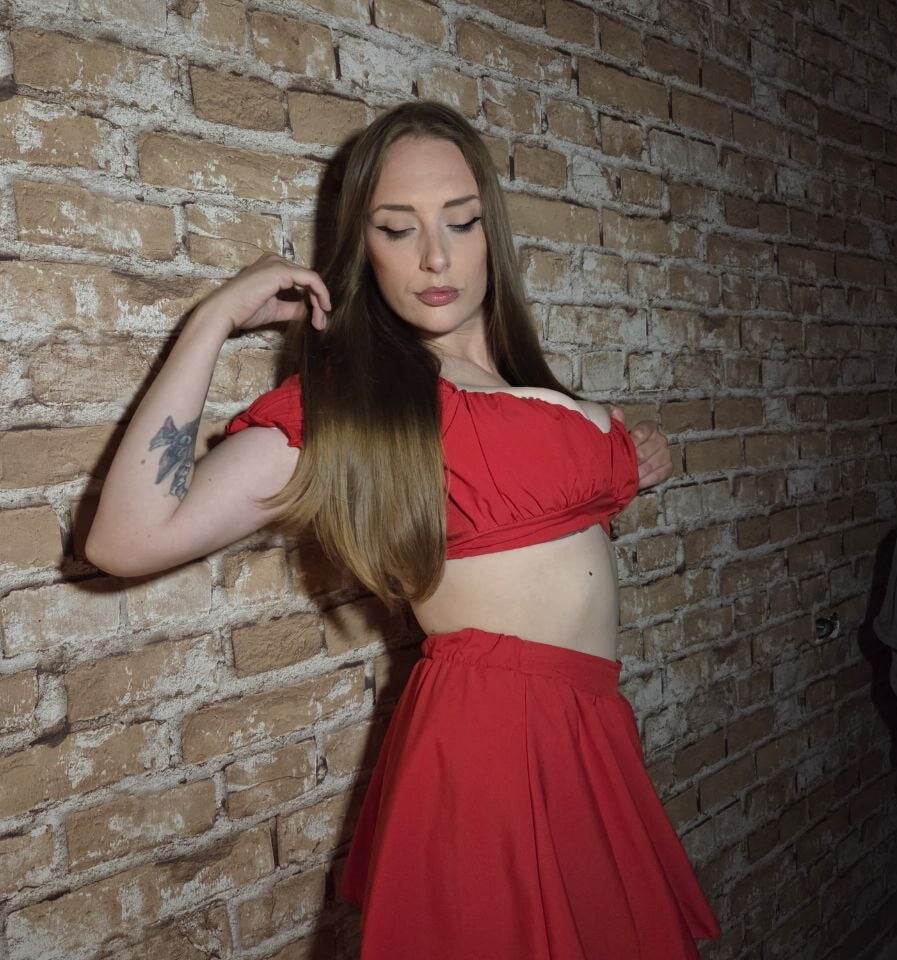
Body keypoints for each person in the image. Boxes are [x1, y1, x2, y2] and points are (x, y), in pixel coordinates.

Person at [87, 100, 721, 959]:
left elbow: (533, 508)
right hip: (492, 735)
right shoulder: (362, 410)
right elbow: (125, 540)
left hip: (588, 726)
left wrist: (632, 458)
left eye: (461, 222)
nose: (435, 256)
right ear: (363, 246)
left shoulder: (522, 382)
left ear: (492, 234)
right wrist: (211, 320)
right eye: (397, 228)